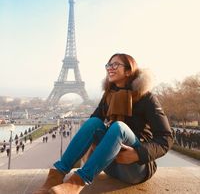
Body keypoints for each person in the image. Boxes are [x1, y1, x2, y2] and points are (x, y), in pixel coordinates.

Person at [33, 53, 173, 194]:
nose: (110, 68)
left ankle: (77, 182)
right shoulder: (108, 96)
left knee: (119, 128)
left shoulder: (147, 98)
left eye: (115, 65)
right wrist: (96, 142)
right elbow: (92, 127)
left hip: (136, 169)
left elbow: (166, 138)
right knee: (94, 122)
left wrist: (138, 153)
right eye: (108, 65)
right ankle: (56, 175)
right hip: (111, 164)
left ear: (128, 71)